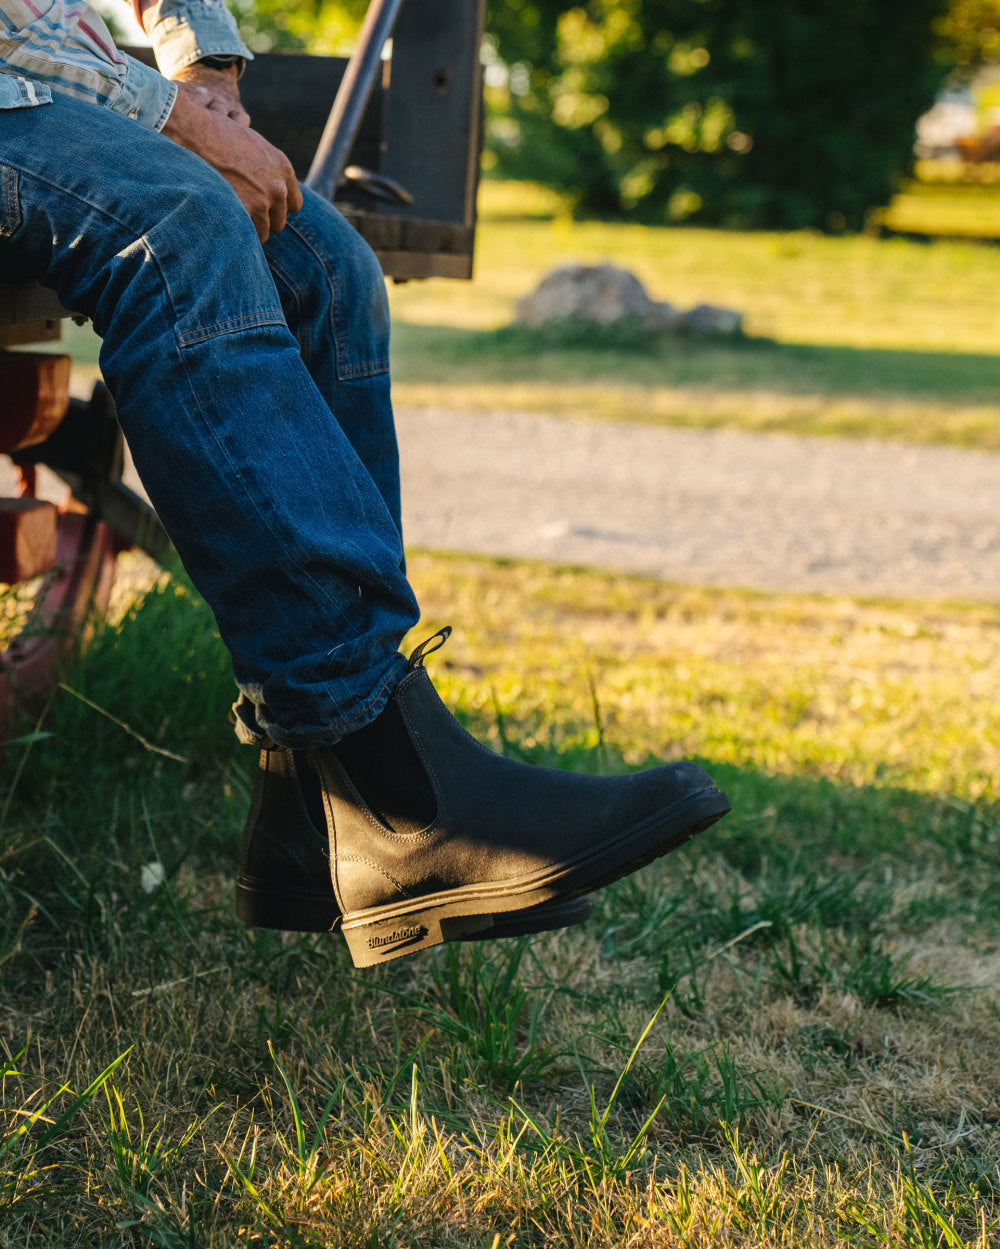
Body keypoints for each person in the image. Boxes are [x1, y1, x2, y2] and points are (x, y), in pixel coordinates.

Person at [0, 0, 730, 967]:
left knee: (327, 265)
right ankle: (398, 784)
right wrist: (166, 117)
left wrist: (203, 64)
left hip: (52, 92)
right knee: (180, 228)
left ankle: (312, 818)